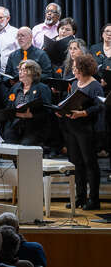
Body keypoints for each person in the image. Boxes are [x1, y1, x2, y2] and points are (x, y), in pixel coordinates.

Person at [59, 54, 104, 210]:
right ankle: (80, 197)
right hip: (72, 127)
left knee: (89, 164)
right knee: (77, 164)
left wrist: (83, 113)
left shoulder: (94, 85)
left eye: (75, 67)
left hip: (87, 129)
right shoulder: (75, 83)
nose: (73, 69)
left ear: (84, 68)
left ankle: (94, 199)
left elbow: (100, 106)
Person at [2, 60, 52, 146]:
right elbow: (9, 106)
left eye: (24, 70)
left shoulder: (42, 88)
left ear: (33, 72)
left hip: (34, 127)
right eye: (20, 70)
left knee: (25, 148)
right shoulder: (15, 87)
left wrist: (31, 115)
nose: (20, 73)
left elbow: (48, 111)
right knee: (8, 144)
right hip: (15, 125)